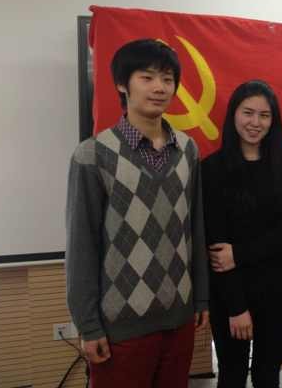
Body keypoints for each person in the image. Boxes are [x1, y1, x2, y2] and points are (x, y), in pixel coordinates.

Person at [65, 38, 210, 388]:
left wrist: (201, 297)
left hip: (179, 318)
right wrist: (88, 325)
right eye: (147, 77)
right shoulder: (92, 154)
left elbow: (196, 228)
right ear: (121, 84)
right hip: (121, 327)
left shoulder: (188, 150)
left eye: (167, 79)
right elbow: (81, 246)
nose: (159, 87)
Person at [202, 80, 282, 387]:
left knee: (267, 374)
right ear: (233, 114)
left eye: (264, 115)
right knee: (231, 375)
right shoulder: (212, 169)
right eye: (248, 113)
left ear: (273, 121)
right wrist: (236, 308)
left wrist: (240, 253)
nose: (255, 122)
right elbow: (217, 249)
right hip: (230, 293)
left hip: (277, 288)